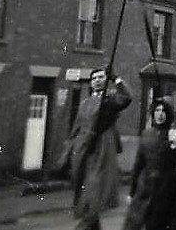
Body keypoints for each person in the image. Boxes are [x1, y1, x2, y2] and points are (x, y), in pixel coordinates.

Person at [64, 67, 133, 230]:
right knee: (85, 189)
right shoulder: (85, 103)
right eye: (94, 78)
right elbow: (77, 127)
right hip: (84, 149)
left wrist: (116, 79)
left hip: (102, 148)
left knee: (95, 188)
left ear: (106, 80)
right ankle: (92, 224)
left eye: (101, 77)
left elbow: (127, 97)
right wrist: (69, 151)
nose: (97, 80)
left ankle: (85, 225)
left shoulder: (110, 99)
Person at [122, 96, 176, 230]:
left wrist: (175, 145)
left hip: (168, 187)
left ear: (168, 114)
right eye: (157, 110)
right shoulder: (146, 134)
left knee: (163, 223)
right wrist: (132, 191)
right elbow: (138, 164)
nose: (160, 114)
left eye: (164, 111)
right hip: (146, 186)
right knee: (136, 222)